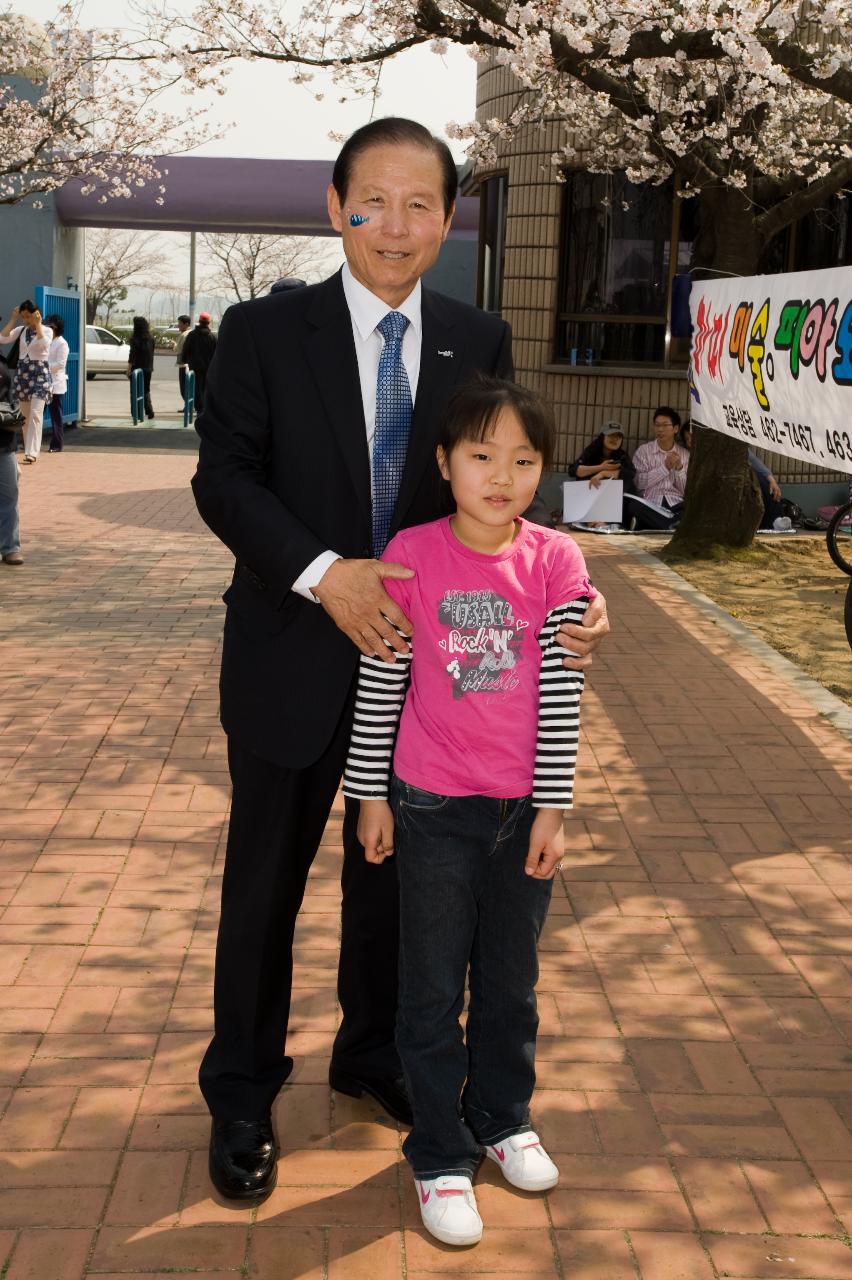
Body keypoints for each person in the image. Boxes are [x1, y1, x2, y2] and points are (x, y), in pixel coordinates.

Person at [191, 116, 610, 1206]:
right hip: (292, 648)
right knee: (263, 883)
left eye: (421, 202)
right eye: (372, 200)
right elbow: (224, 479)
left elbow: (502, 495)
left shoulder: (481, 333)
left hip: (427, 687)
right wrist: (325, 571)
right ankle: (242, 1088)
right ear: (336, 208)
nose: (396, 223)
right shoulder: (263, 330)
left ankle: (371, 1054)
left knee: (394, 886)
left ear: (448, 216)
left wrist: (575, 596)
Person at [342, 376, 592, 1246]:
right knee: (432, 983)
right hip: (432, 804)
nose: (502, 476)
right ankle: (440, 1156)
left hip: (522, 809)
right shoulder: (410, 553)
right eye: (482, 456)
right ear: (445, 463)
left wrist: (553, 808)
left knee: (512, 982)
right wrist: (367, 791)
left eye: (524, 460)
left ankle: (499, 1116)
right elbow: (381, 678)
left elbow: (564, 690)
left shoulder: (558, 560)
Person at [0, 301, 53, 463]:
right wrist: (13, 319)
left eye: (28, 317)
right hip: (23, 375)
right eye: (24, 317)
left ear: (37, 314)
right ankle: (28, 447)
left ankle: (32, 452)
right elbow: (2, 338)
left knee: (36, 414)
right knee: (25, 416)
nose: (26, 320)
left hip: (40, 376)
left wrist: (37, 324)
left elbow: (44, 345)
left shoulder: (47, 330)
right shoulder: (21, 330)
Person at [625, 405, 689, 530]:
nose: (660, 429)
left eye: (665, 425)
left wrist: (679, 468)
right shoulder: (644, 451)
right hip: (651, 503)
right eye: (657, 425)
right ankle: (671, 524)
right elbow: (639, 483)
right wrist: (664, 468)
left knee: (692, 508)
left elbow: (685, 491)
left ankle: (654, 524)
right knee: (633, 506)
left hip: (676, 504)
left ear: (675, 428)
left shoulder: (685, 455)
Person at [0, 392, 23, 565]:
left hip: (5, 443)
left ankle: (11, 547)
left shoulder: (7, 365)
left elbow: (13, 402)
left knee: (9, 496)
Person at [181, 312, 217, 414]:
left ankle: (199, 409)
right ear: (209, 322)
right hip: (209, 367)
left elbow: (186, 349)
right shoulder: (213, 337)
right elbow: (217, 352)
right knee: (206, 388)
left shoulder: (192, 335)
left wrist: (184, 360)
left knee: (196, 388)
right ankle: (206, 408)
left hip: (195, 366)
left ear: (199, 321)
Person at [44, 314, 69, 453]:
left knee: (56, 416)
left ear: (57, 328)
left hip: (56, 384)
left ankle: (57, 444)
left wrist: (44, 366)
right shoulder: (46, 340)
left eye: (51, 326)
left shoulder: (62, 343)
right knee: (36, 415)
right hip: (42, 382)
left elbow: (60, 364)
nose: (49, 328)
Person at [128, 316, 156, 420]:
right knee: (146, 390)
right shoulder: (151, 338)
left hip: (137, 369)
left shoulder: (135, 339)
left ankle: (136, 413)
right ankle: (149, 410)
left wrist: (129, 369)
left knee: (134, 391)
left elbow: (132, 356)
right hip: (148, 368)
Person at [174, 314, 191, 408]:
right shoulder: (192, 333)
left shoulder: (184, 335)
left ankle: (189, 406)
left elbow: (178, 350)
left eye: (180, 323)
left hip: (183, 364)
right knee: (189, 386)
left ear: (186, 324)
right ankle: (189, 406)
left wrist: (174, 346)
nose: (178, 325)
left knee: (184, 387)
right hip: (191, 364)